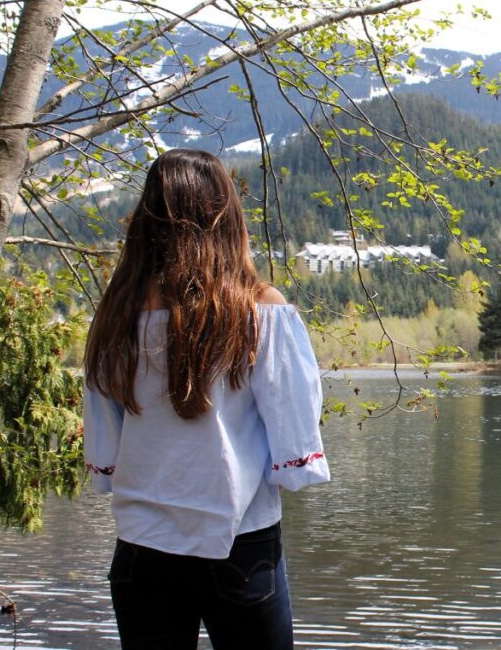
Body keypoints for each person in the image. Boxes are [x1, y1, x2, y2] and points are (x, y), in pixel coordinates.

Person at [82, 148, 330, 649]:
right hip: (239, 541)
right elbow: (294, 440)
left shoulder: (116, 314)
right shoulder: (260, 310)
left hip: (141, 547)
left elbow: (104, 448)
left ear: (148, 218)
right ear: (225, 213)